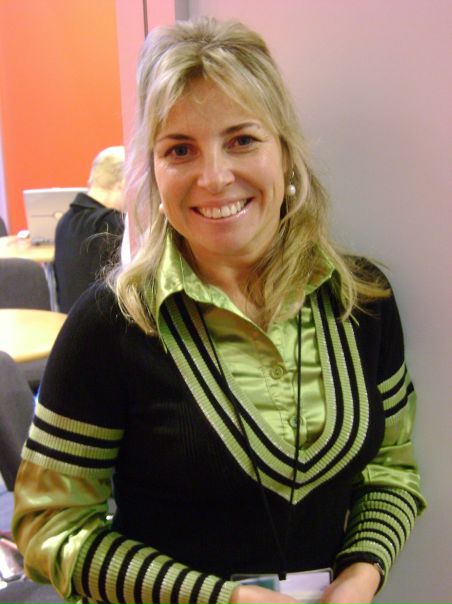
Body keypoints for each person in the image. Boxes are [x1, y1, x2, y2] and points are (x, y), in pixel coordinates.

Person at [13, 17, 425, 604]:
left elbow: (390, 469)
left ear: (286, 152)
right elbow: (49, 529)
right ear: (154, 172)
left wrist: (363, 573)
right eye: (180, 149)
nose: (214, 177)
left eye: (242, 140)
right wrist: (219, 598)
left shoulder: (362, 301)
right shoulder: (110, 326)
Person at [53, 145, 126, 312]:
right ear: (124, 184)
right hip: (103, 326)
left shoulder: (64, 222)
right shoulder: (115, 225)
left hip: (69, 324)